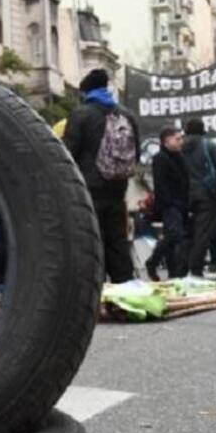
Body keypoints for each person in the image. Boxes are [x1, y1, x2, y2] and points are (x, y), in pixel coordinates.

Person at [63, 69, 139, 284]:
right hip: (118, 184)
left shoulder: (81, 114)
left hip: (89, 186)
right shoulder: (127, 114)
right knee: (118, 237)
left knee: (92, 235)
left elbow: (68, 152)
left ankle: (94, 283)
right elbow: (136, 153)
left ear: (85, 91)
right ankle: (123, 283)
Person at [180, 119, 216, 278]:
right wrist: (215, 183)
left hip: (185, 195)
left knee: (189, 232)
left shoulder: (179, 147)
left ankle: (184, 267)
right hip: (207, 195)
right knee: (204, 232)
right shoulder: (208, 145)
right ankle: (197, 269)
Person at [145, 127, 189, 280]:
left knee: (176, 239)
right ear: (167, 140)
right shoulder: (160, 158)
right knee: (174, 235)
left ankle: (174, 273)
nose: (180, 142)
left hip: (181, 204)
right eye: (177, 139)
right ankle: (153, 261)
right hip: (170, 204)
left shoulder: (180, 157)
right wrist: (168, 203)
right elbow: (161, 184)